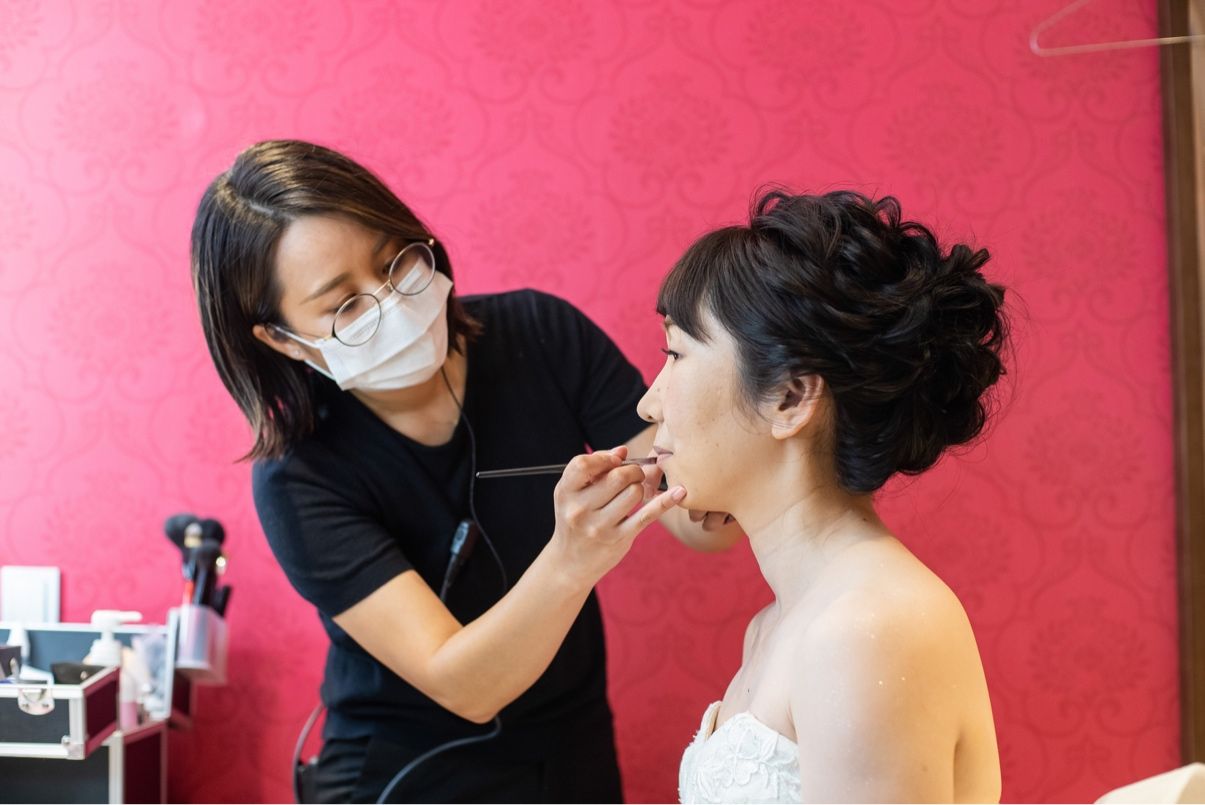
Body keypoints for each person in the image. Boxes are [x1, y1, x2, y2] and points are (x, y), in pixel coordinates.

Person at [189, 139, 742, 803]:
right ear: (281, 338)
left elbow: (698, 517)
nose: (389, 303)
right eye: (344, 306)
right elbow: (466, 686)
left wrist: (750, 438)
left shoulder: (542, 333)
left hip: (569, 751)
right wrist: (572, 559)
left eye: (394, 262)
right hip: (401, 772)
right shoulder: (299, 473)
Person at [637, 190, 1007, 803]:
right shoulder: (775, 626)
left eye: (675, 353)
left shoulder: (866, 630)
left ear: (790, 398)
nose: (648, 404)